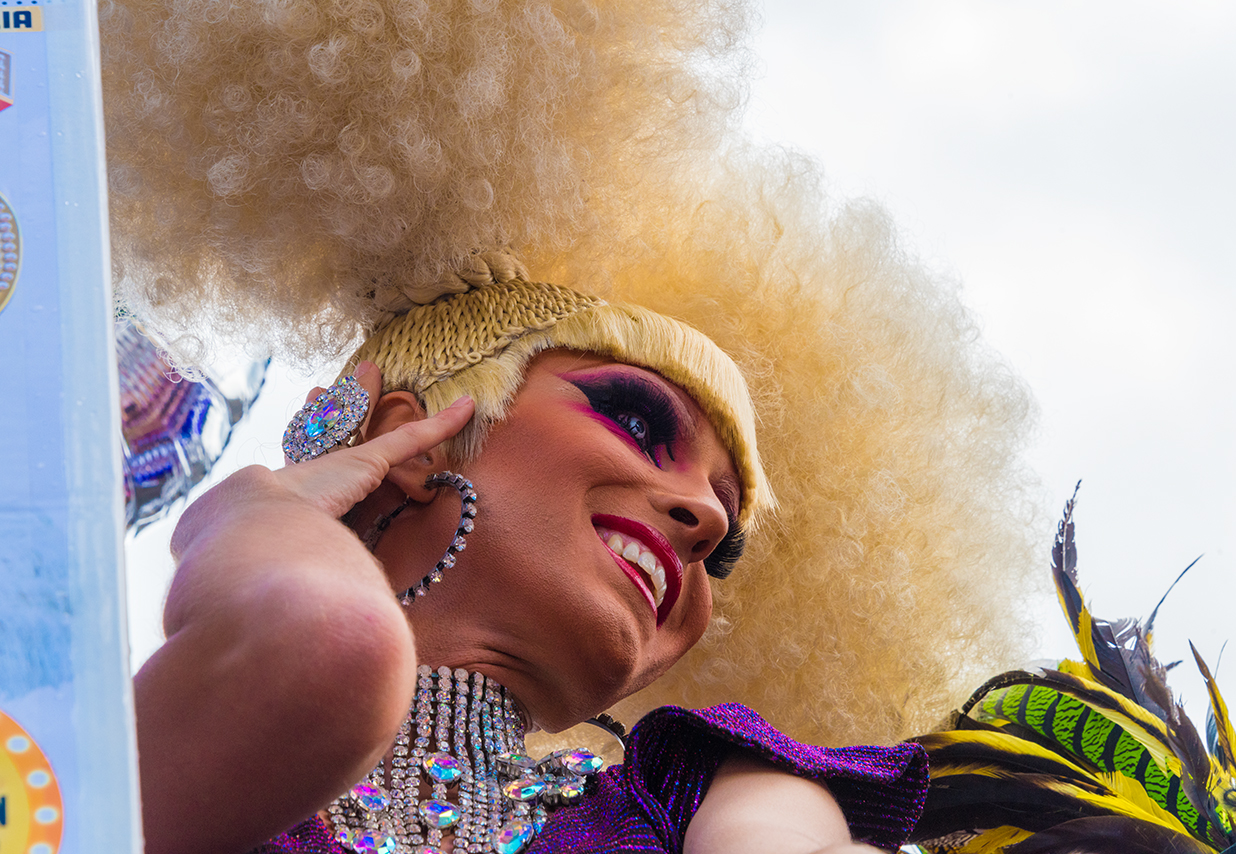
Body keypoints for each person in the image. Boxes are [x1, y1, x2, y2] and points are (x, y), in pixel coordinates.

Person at [101, 0, 1044, 851]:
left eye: (725, 548)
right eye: (640, 422)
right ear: (410, 441)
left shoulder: (707, 793)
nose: (706, 524)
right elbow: (323, 647)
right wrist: (258, 521)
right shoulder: (73, 747)